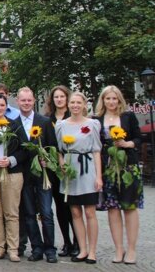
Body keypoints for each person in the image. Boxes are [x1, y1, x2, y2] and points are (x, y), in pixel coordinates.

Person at [95, 85, 141, 264]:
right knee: (113, 210)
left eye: (114, 98)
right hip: (108, 168)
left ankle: (131, 249)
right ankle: (119, 249)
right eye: (108, 98)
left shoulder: (128, 116)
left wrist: (127, 144)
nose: (111, 102)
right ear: (103, 100)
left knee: (129, 208)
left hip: (128, 167)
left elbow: (138, 138)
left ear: (119, 100)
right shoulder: (97, 120)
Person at [56, 91, 102, 264]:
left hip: (87, 167)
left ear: (84, 105)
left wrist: (99, 176)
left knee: (90, 211)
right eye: (72, 102)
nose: (75, 105)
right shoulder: (61, 125)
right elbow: (59, 150)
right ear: (68, 105)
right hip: (70, 170)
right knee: (75, 212)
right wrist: (62, 165)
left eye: (78, 102)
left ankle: (92, 251)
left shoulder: (92, 124)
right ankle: (82, 249)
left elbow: (97, 150)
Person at [15, 87, 58, 263]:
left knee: (47, 213)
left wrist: (47, 160)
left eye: (29, 100)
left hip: (43, 176)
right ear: (17, 101)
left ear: (34, 101)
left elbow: (53, 147)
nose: (26, 103)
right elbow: (15, 150)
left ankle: (50, 249)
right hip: (24, 175)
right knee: (29, 214)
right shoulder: (13, 124)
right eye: (23, 100)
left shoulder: (45, 121)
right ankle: (37, 247)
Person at [0, 93, 25, 262]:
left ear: (6, 107)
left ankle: (13, 249)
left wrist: (10, 160)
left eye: (2, 105)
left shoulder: (15, 125)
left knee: (11, 212)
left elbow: (25, 150)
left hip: (11, 173)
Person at [43, 85, 77, 257]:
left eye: (62, 96)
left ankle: (78, 241)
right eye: (56, 97)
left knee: (72, 207)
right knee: (60, 208)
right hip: (54, 168)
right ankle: (67, 242)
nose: (59, 99)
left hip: (70, 165)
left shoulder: (73, 117)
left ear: (67, 98)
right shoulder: (47, 119)